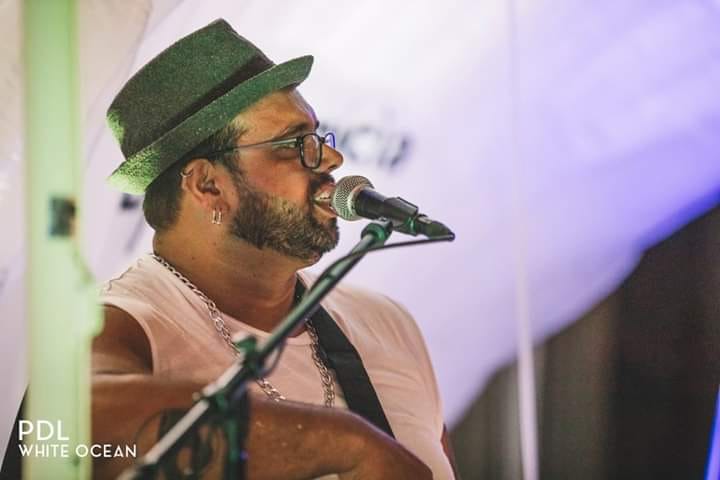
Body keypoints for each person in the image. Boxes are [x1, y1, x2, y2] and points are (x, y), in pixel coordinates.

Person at [92, 19, 457, 479]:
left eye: (318, 138)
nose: (332, 159)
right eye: (295, 144)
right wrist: (348, 444)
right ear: (208, 185)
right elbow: (65, 426)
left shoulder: (387, 324)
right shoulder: (123, 323)